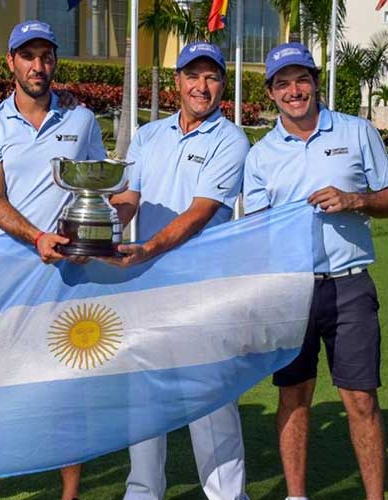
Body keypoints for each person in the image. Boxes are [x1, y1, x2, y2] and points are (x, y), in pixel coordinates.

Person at [242, 42, 388, 500]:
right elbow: (257, 231)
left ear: (315, 82)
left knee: (361, 399)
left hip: (349, 287)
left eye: (301, 80)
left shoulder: (356, 132)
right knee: (294, 397)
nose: (294, 91)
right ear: (271, 93)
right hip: (292, 293)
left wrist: (355, 200)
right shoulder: (261, 155)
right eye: (282, 83)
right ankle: (297, 496)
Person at [0, 20, 107, 500]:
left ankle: (69, 495)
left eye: (46, 56)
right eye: (28, 56)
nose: (38, 66)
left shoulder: (82, 121)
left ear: (54, 62)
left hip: (66, 274)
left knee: (67, 387)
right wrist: (37, 237)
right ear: (12, 63)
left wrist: (94, 237)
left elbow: (94, 187)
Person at [105, 42, 251, 500]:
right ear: (177, 82)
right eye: (193, 76)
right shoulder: (149, 136)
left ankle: (228, 495)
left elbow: (200, 212)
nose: (201, 86)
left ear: (222, 85)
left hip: (202, 283)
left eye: (211, 77)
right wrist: (100, 215)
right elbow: (131, 195)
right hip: (147, 282)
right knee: (144, 393)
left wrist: (147, 246)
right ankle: (143, 491)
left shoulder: (231, 140)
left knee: (209, 396)